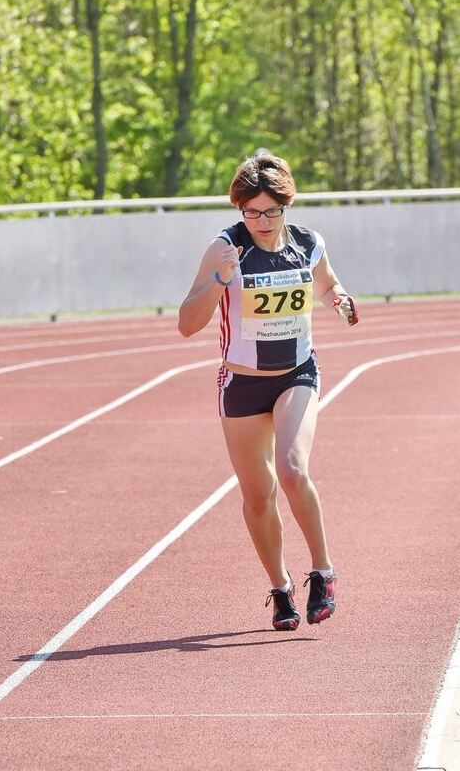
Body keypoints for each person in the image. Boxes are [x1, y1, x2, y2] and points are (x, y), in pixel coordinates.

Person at [178, 153, 358, 631]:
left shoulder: (307, 244)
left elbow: (327, 285)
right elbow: (186, 324)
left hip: (296, 373)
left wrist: (339, 300)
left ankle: (323, 572)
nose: (261, 221)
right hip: (240, 384)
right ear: (239, 210)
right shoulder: (224, 248)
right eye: (251, 211)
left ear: (287, 206)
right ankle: (280, 588)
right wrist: (218, 278)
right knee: (258, 496)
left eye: (271, 211)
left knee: (293, 470)